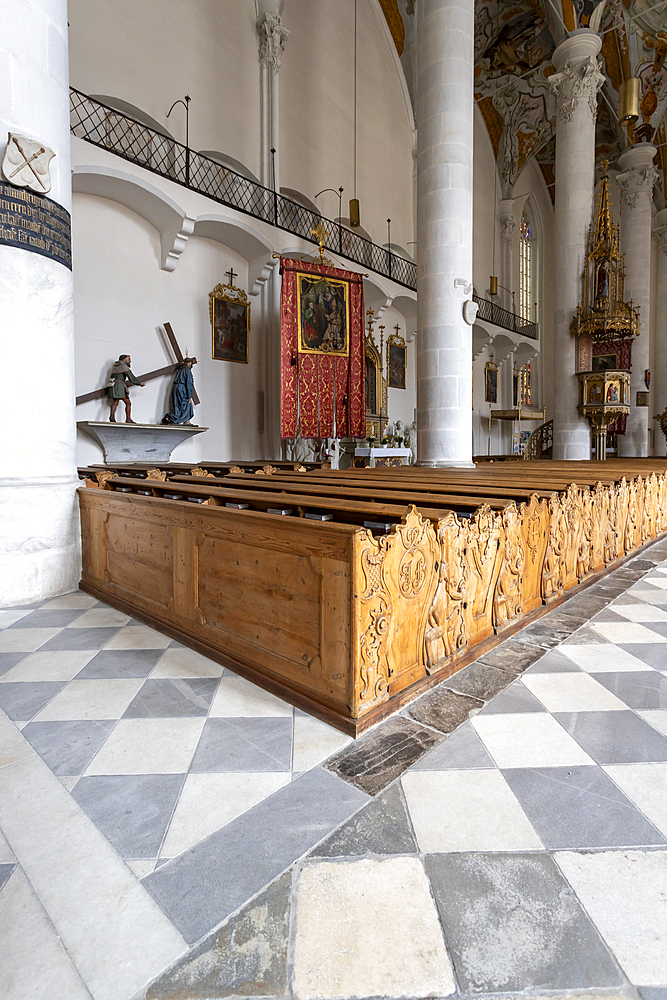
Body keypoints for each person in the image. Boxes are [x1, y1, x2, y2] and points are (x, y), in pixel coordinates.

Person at [107, 355, 145, 422]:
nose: (129, 361)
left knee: (115, 401)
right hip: (119, 387)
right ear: (124, 359)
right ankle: (128, 419)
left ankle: (112, 416)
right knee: (128, 403)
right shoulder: (124, 367)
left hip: (113, 386)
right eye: (128, 359)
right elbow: (132, 378)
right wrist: (139, 383)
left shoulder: (115, 367)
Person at [162, 357, 197, 425]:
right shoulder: (187, 370)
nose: (191, 365)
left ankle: (171, 418)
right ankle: (185, 420)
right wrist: (190, 396)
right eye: (190, 363)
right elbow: (189, 383)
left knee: (177, 404)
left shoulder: (180, 370)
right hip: (182, 388)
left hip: (175, 388)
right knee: (187, 404)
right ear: (188, 363)